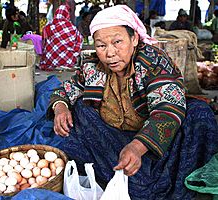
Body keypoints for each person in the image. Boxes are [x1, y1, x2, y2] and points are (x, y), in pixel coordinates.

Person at [47, 5, 218, 199]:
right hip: (115, 135)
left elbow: (166, 109)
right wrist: (60, 107)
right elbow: (66, 90)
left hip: (155, 139)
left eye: (117, 41)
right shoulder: (93, 66)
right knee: (79, 108)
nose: (110, 53)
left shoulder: (154, 62)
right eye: (101, 45)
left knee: (199, 113)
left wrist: (137, 147)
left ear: (134, 39)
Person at [39, 5, 83, 71]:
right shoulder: (72, 27)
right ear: (67, 14)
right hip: (68, 61)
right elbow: (80, 40)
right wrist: (74, 54)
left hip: (49, 61)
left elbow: (44, 43)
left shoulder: (48, 27)